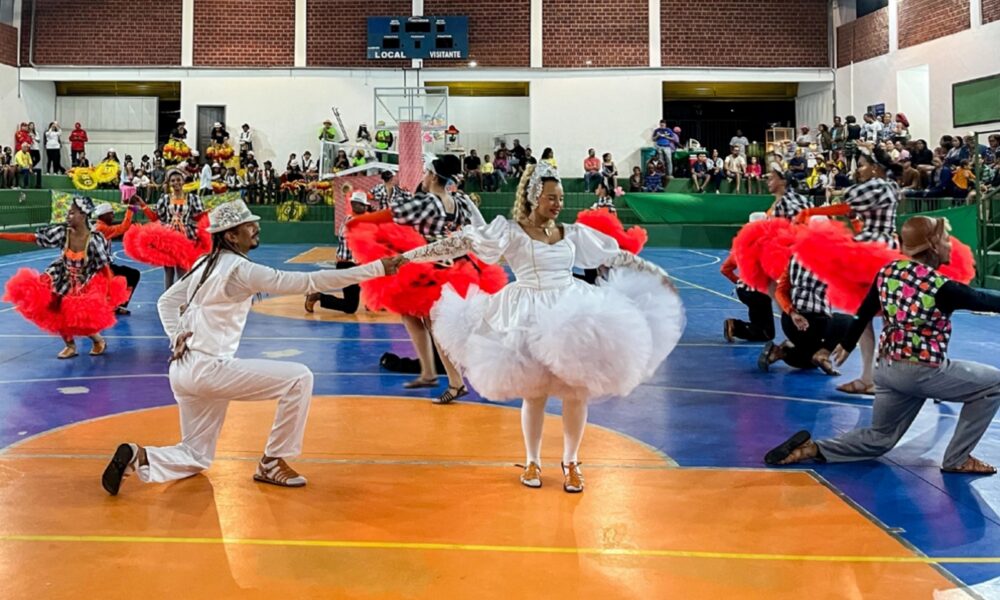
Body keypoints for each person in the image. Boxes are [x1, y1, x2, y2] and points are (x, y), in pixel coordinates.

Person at [400, 162, 684, 492]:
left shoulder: (572, 233)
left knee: (576, 394)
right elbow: (460, 243)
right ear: (535, 196)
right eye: (551, 197)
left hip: (571, 314)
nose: (558, 204)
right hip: (527, 316)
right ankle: (533, 460)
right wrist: (408, 257)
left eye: (560, 198)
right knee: (534, 394)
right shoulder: (511, 231)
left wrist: (657, 273)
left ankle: (571, 461)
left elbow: (616, 255)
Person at [101, 200, 401, 495]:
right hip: (210, 369)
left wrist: (175, 335)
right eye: (248, 225)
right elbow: (308, 280)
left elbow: (165, 301)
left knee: (197, 455)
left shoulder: (204, 262)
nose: (256, 228)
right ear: (231, 235)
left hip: (183, 370)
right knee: (300, 377)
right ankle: (272, 462)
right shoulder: (241, 270)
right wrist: (375, 268)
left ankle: (140, 456)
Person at [765, 216, 1000, 475]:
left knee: (880, 438)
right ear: (932, 244)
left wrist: (848, 342)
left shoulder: (888, 272)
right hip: (922, 371)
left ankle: (813, 449)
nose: (950, 244)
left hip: (887, 370)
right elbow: (986, 300)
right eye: (945, 238)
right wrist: (848, 341)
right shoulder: (943, 288)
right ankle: (958, 458)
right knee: (993, 384)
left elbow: (863, 311)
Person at [344, 154, 508, 404]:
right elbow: (477, 226)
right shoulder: (459, 201)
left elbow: (393, 215)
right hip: (457, 268)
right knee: (426, 320)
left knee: (432, 324)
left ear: (432, 175)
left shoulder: (428, 203)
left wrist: (359, 221)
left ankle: (457, 381)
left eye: (425, 173)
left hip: (431, 270)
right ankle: (446, 376)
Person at [0, 197, 128, 358]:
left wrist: (110, 290)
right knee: (56, 311)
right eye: (68, 213)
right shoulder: (62, 233)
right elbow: (31, 238)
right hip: (61, 277)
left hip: (84, 282)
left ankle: (97, 340)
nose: (68, 216)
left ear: (83, 215)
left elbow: (104, 267)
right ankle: (70, 346)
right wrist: (2, 235)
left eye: (72, 213)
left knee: (81, 318)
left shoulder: (94, 240)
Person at [124, 168, 208, 289]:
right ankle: (167, 299)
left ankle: (181, 298)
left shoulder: (193, 199)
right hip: (167, 238)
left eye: (178, 180)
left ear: (183, 181)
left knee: (182, 270)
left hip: (185, 238)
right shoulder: (165, 198)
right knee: (168, 271)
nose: (176, 183)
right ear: (169, 183)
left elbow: (199, 217)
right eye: (173, 180)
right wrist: (143, 205)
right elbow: (155, 217)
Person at [305, 192, 369, 315]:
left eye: (365, 205)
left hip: (353, 265)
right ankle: (317, 296)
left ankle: (373, 303)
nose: (365, 208)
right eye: (362, 205)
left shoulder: (354, 219)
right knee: (350, 307)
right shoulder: (353, 222)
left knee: (376, 274)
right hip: (349, 265)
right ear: (354, 204)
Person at [722, 212, 775, 343]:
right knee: (767, 333)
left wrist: (740, 282)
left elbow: (725, 269)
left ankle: (737, 327)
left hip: (743, 290)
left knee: (759, 323)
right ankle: (735, 326)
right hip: (759, 292)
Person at [93, 203, 143, 315]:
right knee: (133, 274)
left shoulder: (97, 226)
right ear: (103, 216)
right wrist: (130, 210)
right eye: (111, 214)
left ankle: (113, 304)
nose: (113, 216)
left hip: (99, 266)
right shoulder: (101, 228)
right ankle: (119, 305)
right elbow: (123, 228)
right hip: (101, 267)